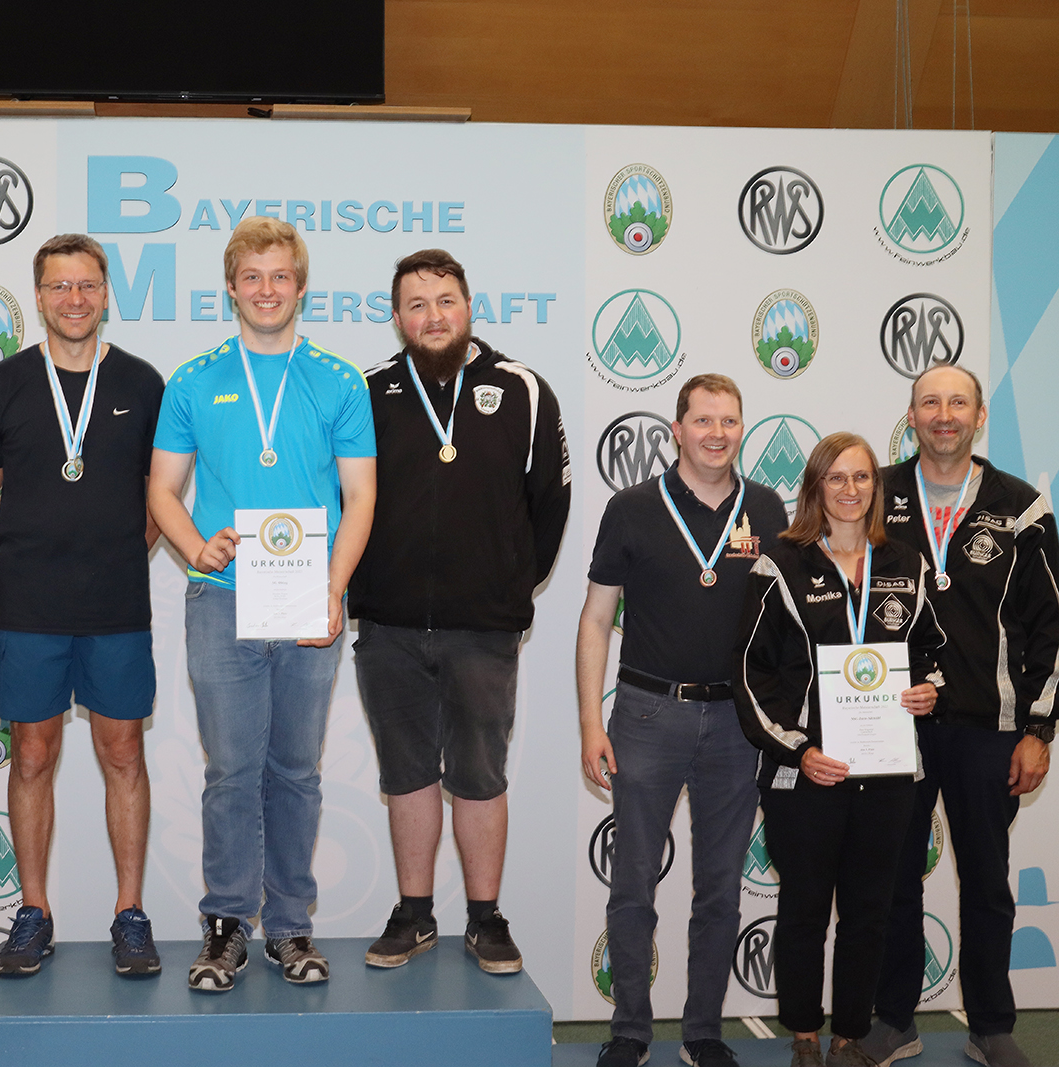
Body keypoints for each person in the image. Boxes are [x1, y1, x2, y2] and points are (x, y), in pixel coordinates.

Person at [147, 216, 376, 992]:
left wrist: (334, 589)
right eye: (252, 276)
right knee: (231, 771)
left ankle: (289, 925)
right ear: (232, 287)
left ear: (301, 286)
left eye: (280, 276)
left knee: (297, 771)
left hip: (310, 598)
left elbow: (361, 495)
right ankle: (225, 925)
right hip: (223, 599)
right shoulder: (193, 379)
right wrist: (194, 545)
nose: (266, 289)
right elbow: (162, 488)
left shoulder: (339, 380)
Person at [348, 249, 570, 974]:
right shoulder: (370, 392)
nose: (433, 316)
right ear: (398, 317)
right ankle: (414, 914)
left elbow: (550, 502)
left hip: (483, 629)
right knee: (407, 774)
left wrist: (506, 589)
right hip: (388, 625)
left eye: (445, 301)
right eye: (416, 305)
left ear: (469, 307)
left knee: (479, 773)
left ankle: (485, 917)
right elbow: (346, 501)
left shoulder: (523, 389)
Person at [0, 234, 166, 978]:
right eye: (59, 286)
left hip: (117, 608)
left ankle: (130, 912)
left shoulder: (143, 382)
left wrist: (115, 556)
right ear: (39, 296)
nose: (74, 299)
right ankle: (33, 911)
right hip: (29, 609)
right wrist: (29, 558)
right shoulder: (4, 384)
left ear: (106, 294)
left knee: (124, 754)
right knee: (32, 755)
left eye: (86, 286)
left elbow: (160, 495)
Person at [576, 373, 787, 1067]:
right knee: (633, 883)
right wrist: (590, 723)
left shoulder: (767, 507)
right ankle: (630, 1030)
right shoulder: (632, 507)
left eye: (729, 421)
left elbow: (788, 623)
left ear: (741, 429)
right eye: (703, 420)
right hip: (647, 712)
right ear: (677, 430)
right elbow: (596, 619)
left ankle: (703, 1032)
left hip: (737, 724)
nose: (717, 433)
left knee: (720, 888)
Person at [864, 365, 1058, 1067]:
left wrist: (1039, 730)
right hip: (891, 725)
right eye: (929, 402)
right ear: (911, 415)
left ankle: (991, 1025)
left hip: (988, 728)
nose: (943, 414)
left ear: (979, 416)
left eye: (957, 402)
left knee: (985, 881)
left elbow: (1050, 626)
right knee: (891, 879)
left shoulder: (1022, 506)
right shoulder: (873, 494)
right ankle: (893, 1019)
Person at [735, 433, 943, 1067]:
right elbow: (752, 674)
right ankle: (803, 1034)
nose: (850, 490)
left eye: (862, 478)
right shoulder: (780, 563)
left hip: (887, 774)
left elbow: (932, 653)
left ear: (876, 488)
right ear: (815, 488)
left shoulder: (906, 562)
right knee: (803, 911)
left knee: (868, 913)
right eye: (836, 478)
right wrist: (798, 751)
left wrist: (928, 690)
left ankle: (851, 1035)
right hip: (807, 775)